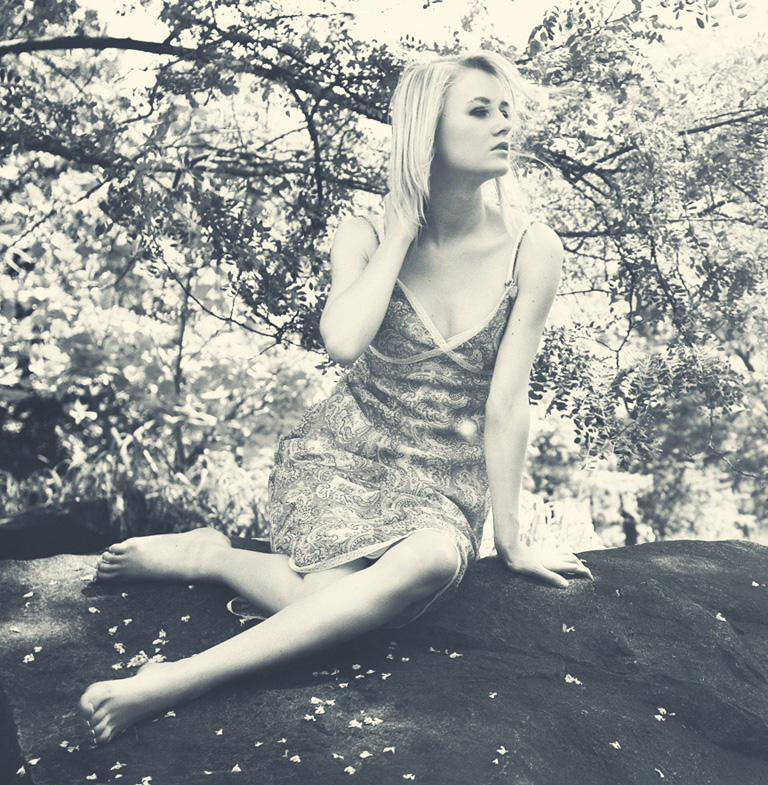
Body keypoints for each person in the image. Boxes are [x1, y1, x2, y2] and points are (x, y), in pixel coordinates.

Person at [79, 51, 593, 745]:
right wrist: (401, 232)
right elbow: (344, 342)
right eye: (480, 111)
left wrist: (512, 538)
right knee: (333, 602)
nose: (505, 124)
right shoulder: (364, 234)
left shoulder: (533, 249)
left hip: (441, 482)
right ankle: (201, 587)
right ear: (426, 130)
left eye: (507, 110)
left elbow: (506, 403)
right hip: (341, 455)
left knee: (429, 560)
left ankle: (194, 627)